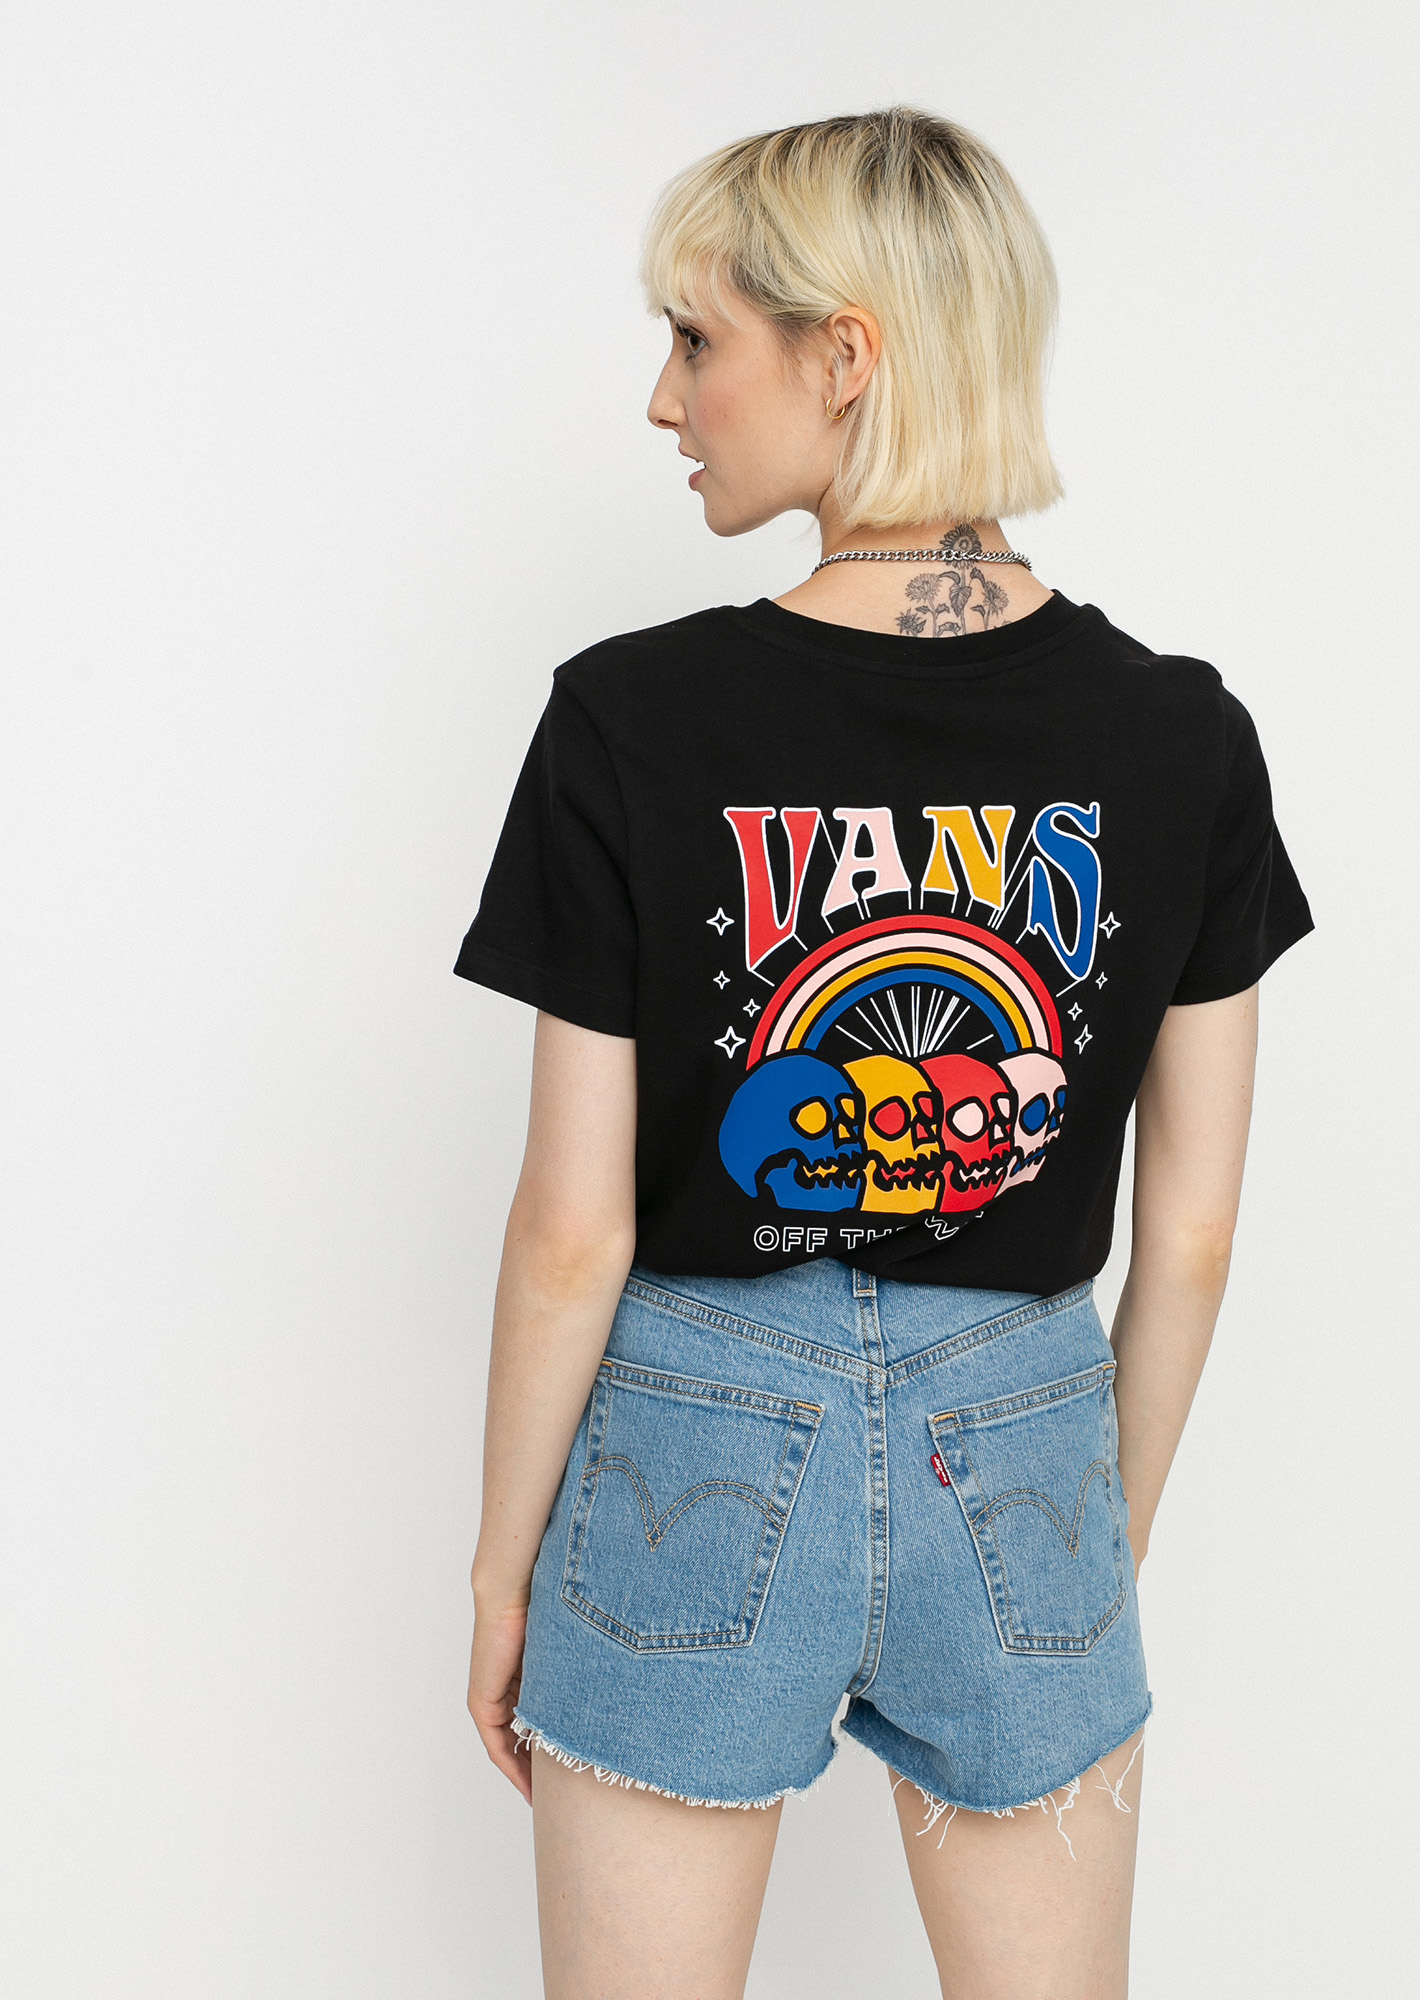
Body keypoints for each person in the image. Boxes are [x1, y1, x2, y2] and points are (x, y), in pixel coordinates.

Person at [454, 107, 1311, 2000]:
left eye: (697, 338)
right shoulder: (1185, 737)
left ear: (844, 354)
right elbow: (1189, 1237)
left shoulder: (629, 719)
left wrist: (504, 1571)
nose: (665, 399)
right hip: (1029, 1430)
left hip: (687, 1429)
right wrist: (1076, 1549)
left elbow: (572, 1233)